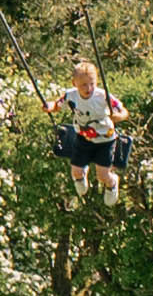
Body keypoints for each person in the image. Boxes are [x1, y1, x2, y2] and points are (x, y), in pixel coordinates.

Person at [45, 59, 132, 201]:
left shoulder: (103, 96)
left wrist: (117, 116)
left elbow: (124, 112)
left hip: (105, 140)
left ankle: (112, 183)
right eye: (84, 85)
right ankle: (81, 175)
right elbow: (57, 105)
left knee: (102, 175)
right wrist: (49, 106)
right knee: (76, 171)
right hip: (83, 138)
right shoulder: (70, 95)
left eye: (92, 83)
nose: (89, 88)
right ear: (75, 84)